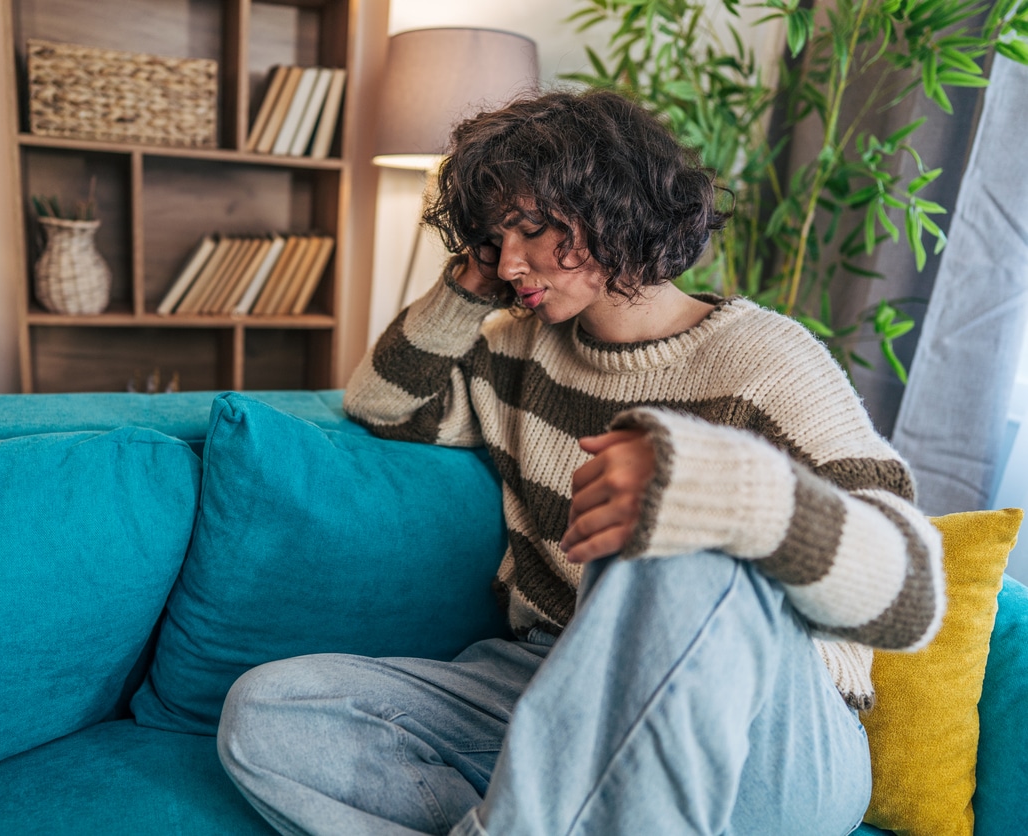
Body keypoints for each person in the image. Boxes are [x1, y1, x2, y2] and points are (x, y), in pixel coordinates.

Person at [217, 88, 945, 835]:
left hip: (759, 730)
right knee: (272, 711)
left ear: (615, 208)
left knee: (676, 528)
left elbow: (913, 595)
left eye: (529, 229)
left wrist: (723, 491)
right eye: (491, 238)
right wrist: (467, 284)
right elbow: (381, 403)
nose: (508, 260)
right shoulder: (513, 348)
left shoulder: (767, 362)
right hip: (554, 687)